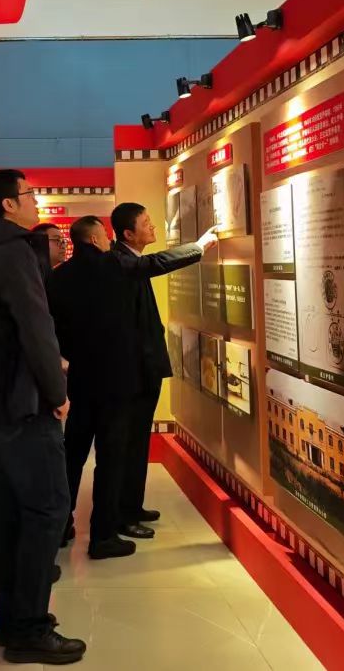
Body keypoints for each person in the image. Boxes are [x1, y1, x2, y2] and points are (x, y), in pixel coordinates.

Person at [0, 169, 85, 665]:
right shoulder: (15, 252)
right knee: (47, 509)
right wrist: (56, 389)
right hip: (25, 403)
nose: (36, 201)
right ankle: (29, 627)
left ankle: (10, 621)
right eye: (30, 194)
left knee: (7, 515)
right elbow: (36, 326)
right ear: (8, 204)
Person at [110, 203, 220, 540]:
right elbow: (154, 264)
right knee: (130, 444)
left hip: (142, 368)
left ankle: (132, 506)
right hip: (134, 371)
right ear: (128, 233)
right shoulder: (122, 261)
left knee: (137, 442)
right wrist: (198, 247)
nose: (153, 227)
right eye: (146, 223)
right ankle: (123, 514)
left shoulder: (128, 260)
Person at [45, 216, 137, 560]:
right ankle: (103, 536)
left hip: (80, 378)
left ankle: (60, 526)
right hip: (115, 379)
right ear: (96, 239)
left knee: (73, 454)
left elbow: (53, 327)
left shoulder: (58, 277)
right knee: (110, 459)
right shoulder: (116, 268)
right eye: (105, 236)